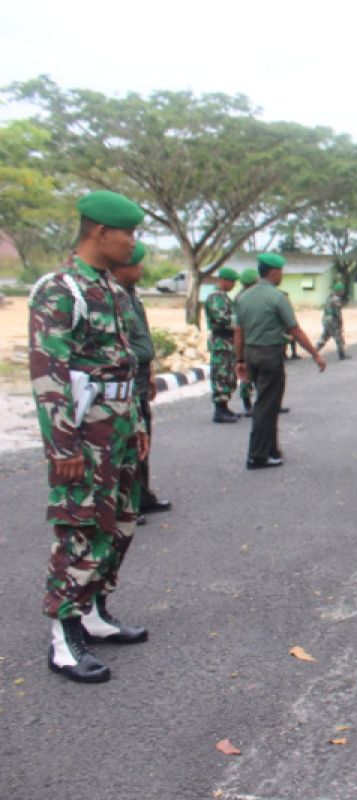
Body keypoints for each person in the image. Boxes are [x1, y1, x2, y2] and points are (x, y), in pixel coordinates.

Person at [29, 190, 152, 684]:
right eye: (129, 234)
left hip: (119, 425)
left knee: (119, 522)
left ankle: (95, 611)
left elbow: (125, 365)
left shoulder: (113, 290)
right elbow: (49, 372)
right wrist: (64, 446)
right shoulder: (60, 289)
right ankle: (64, 633)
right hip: (83, 431)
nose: (133, 244)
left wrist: (138, 424)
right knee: (81, 525)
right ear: (101, 232)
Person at [233, 253, 325, 469]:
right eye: (281, 272)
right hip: (269, 355)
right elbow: (295, 330)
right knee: (266, 406)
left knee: (268, 403)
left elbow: (238, 332)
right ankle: (256, 456)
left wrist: (239, 359)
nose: (281, 275)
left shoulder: (243, 297)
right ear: (274, 272)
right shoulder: (277, 298)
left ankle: (271, 449)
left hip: (251, 354)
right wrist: (315, 353)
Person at [111, 242, 171, 525]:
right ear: (122, 267)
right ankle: (126, 503)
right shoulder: (113, 297)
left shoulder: (133, 296)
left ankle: (141, 496)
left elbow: (142, 337)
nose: (142, 269)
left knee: (143, 433)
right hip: (124, 377)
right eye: (137, 264)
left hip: (140, 373)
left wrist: (150, 374)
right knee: (128, 439)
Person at [205, 266, 241, 423]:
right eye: (232, 282)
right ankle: (219, 410)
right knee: (221, 374)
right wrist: (239, 323)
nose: (233, 285)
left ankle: (224, 407)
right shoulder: (215, 297)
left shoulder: (224, 296)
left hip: (228, 341)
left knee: (228, 375)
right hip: (221, 341)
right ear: (224, 280)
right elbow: (221, 318)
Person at [236, 268, 259, 417]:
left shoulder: (241, 297)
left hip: (248, 340)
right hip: (246, 340)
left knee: (251, 374)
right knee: (247, 375)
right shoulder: (244, 298)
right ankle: (247, 404)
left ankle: (252, 404)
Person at [315, 281, 349, 360]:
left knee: (324, 337)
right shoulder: (336, 299)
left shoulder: (329, 297)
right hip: (333, 320)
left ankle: (315, 351)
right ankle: (342, 355)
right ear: (339, 291)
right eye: (342, 290)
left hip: (326, 319)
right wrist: (340, 323)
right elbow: (338, 312)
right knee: (338, 337)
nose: (343, 292)